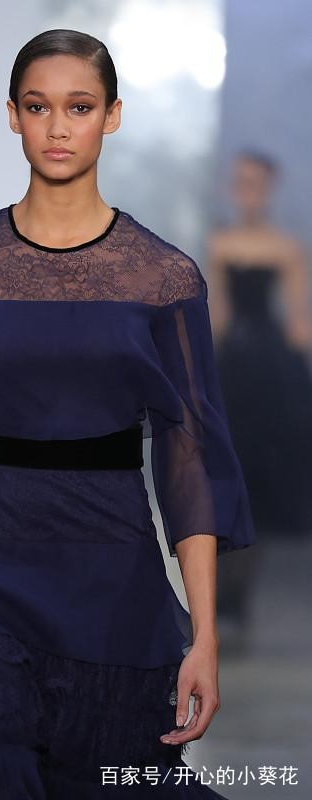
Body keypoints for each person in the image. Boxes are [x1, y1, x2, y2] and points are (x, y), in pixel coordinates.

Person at [0, 29, 256, 799]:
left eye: (79, 106)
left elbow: (189, 460)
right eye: (38, 107)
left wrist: (204, 636)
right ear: (12, 115)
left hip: (111, 575)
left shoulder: (162, 279)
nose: (58, 127)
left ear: (112, 115)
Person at [207, 150, 312, 650]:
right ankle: (220, 604)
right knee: (225, 480)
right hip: (233, 371)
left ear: (268, 188)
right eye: (242, 181)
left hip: (269, 376)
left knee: (259, 486)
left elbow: (299, 322)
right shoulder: (221, 243)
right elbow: (217, 316)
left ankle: (236, 603)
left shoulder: (286, 247)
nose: (248, 190)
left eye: (256, 182)